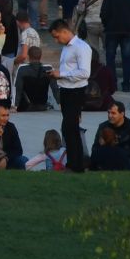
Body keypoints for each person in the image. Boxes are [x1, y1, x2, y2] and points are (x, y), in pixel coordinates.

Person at [52, 16, 92, 173]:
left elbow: (84, 72)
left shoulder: (81, 47)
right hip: (66, 90)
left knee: (71, 128)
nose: (56, 40)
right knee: (68, 128)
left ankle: (76, 165)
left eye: (57, 36)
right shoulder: (66, 48)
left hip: (76, 90)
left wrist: (61, 74)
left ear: (64, 31)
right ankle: (74, 163)